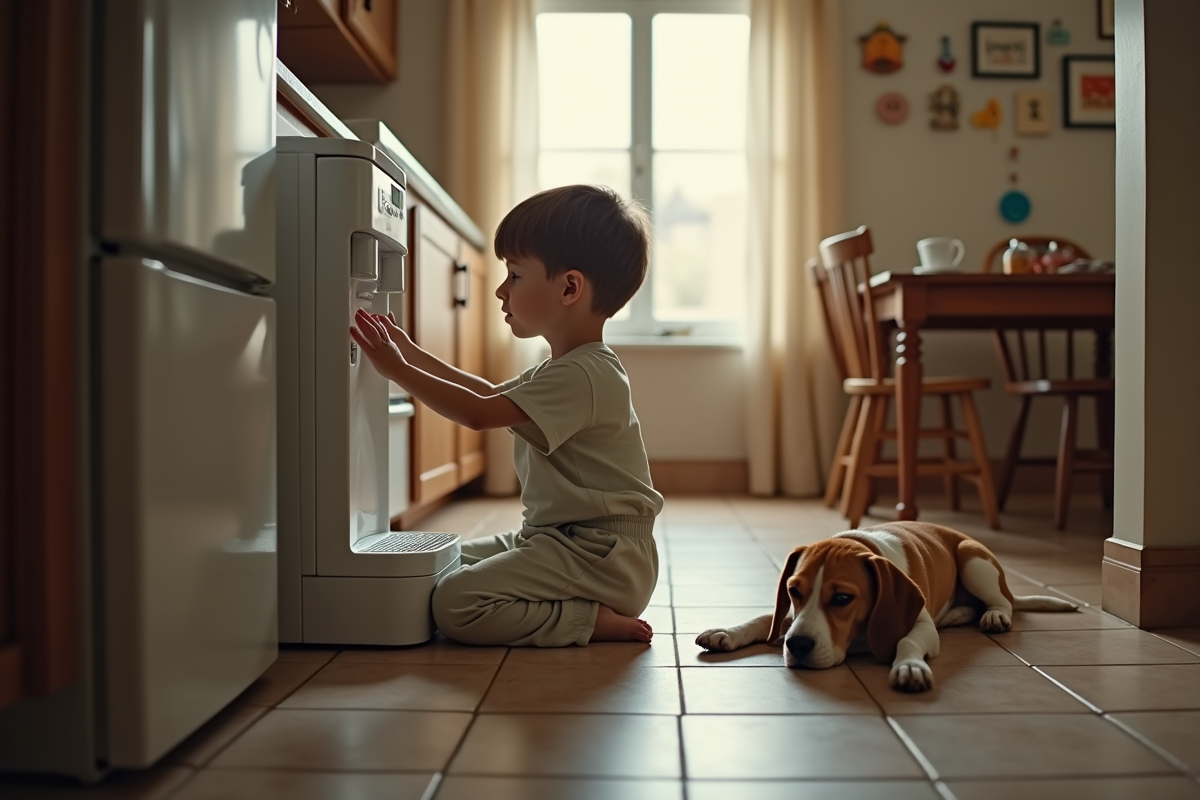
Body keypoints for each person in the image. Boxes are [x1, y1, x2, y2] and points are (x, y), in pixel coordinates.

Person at [349, 184, 664, 647]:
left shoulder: (586, 375)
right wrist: (411, 356)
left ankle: (585, 620)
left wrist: (396, 369)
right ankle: (574, 607)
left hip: (603, 555)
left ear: (569, 287)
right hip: (561, 541)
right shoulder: (566, 368)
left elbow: (479, 413)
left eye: (514, 275)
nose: (500, 290)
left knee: (453, 601)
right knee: (446, 558)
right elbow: (488, 394)